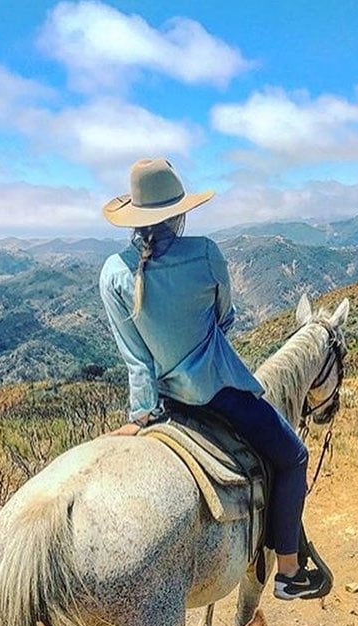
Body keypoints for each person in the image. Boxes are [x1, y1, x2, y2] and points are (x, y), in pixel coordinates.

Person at [99, 158, 325, 600]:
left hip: (162, 404)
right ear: (179, 213)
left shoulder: (112, 273)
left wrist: (142, 414)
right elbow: (224, 318)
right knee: (293, 457)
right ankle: (289, 572)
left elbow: (136, 359)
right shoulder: (205, 254)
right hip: (218, 393)